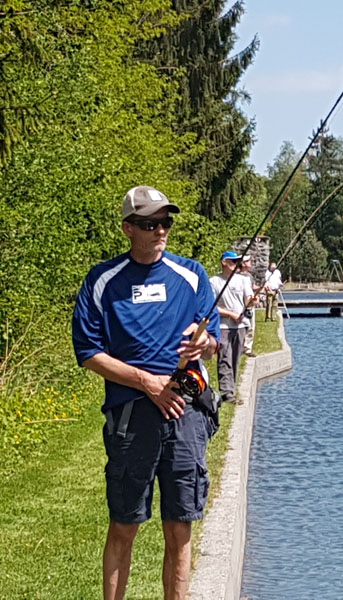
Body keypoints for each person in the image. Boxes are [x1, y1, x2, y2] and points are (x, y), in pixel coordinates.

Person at [72, 185, 221, 600]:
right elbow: (88, 353)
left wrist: (204, 343)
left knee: (180, 525)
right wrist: (146, 382)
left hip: (185, 413)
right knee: (125, 523)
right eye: (151, 223)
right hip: (131, 416)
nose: (161, 231)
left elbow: (213, 338)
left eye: (166, 222)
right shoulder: (103, 281)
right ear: (128, 229)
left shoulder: (191, 275)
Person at [209, 251, 253, 402]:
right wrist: (230, 314)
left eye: (238, 262)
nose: (237, 265)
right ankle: (227, 392)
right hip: (223, 327)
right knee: (225, 358)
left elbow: (248, 300)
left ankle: (231, 390)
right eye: (233, 262)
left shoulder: (243, 280)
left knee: (235, 359)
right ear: (224, 262)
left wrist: (252, 301)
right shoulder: (214, 281)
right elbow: (212, 306)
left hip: (241, 326)